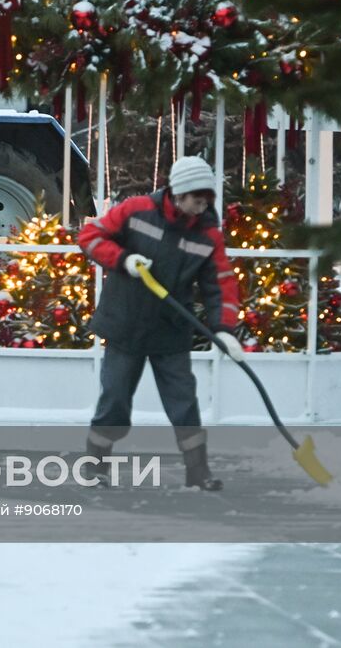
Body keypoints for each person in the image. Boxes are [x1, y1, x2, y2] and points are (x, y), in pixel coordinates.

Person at [77, 155, 244, 491]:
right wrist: (123, 259)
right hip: (126, 324)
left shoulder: (208, 235)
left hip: (171, 330)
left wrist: (224, 329)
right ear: (178, 193)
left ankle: (198, 472)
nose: (202, 206)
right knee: (115, 399)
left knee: (183, 403)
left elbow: (221, 284)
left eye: (207, 199)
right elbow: (90, 236)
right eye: (197, 199)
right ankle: (95, 465)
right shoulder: (136, 210)